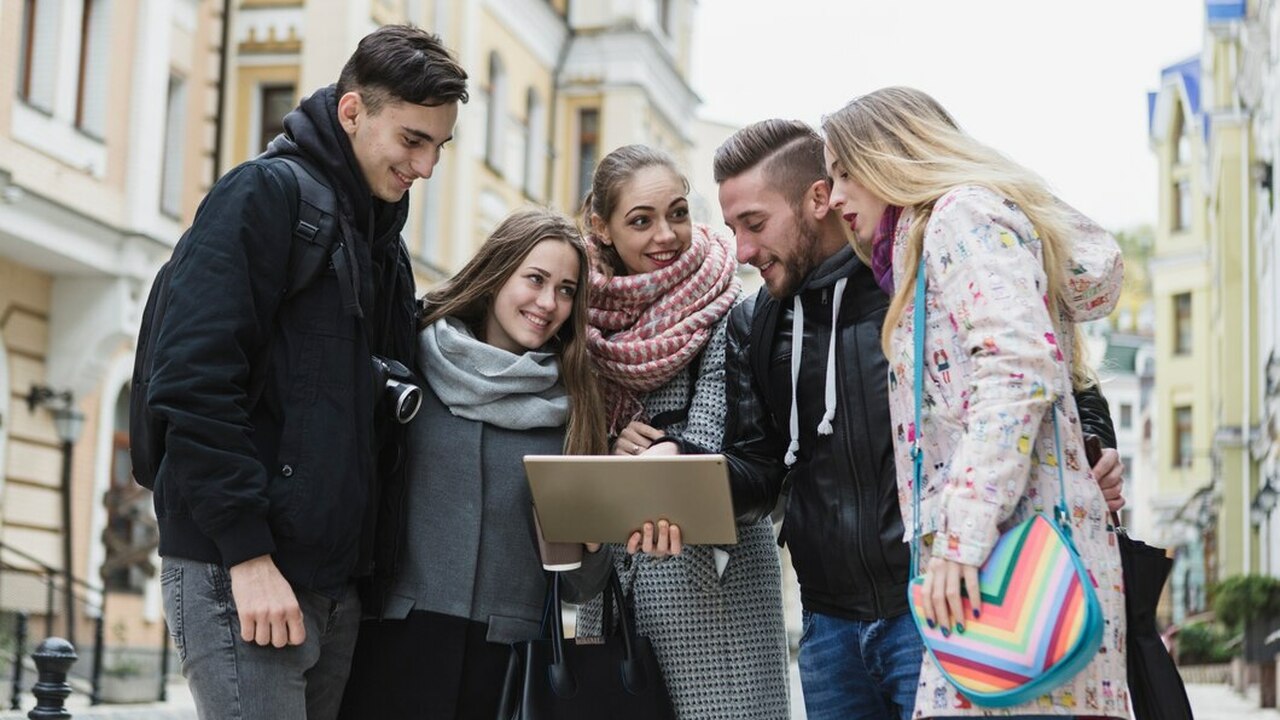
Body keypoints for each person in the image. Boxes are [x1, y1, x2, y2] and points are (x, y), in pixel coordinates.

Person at [711, 119, 1127, 720]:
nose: (743, 250)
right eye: (733, 230)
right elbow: (759, 465)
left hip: (939, 599)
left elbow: (1043, 366)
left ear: (818, 199)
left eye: (755, 224)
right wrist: (681, 482)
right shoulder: (757, 322)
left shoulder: (915, 268)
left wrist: (1094, 445)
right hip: (827, 627)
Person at [144, 25, 468, 720]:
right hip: (244, 573)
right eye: (412, 140)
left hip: (332, 586)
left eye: (439, 146)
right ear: (353, 111)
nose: (426, 167)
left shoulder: (383, 247)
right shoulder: (264, 197)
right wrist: (247, 557)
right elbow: (193, 382)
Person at [822, 86, 1130, 718]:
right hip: (1008, 567)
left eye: (845, 172)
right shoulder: (931, 243)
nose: (835, 196)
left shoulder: (959, 218)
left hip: (1012, 570)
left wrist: (958, 541)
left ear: (894, 156)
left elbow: (1018, 366)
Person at [337, 207, 609, 718]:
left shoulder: (575, 406)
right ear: (496, 273)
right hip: (392, 646)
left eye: (568, 290)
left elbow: (581, 583)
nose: (549, 302)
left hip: (509, 664)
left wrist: (593, 542)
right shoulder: (409, 360)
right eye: (536, 279)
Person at [563, 144, 791, 720]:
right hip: (617, 603)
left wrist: (663, 456)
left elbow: (720, 449)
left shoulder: (728, 310)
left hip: (717, 600)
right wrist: (610, 452)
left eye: (679, 212)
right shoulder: (579, 325)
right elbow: (567, 460)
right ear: (603, 227)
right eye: (641, 221)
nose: (667, 234)